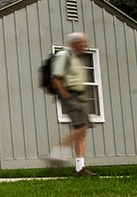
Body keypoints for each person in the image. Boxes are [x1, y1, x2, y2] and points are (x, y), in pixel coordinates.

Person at [48, 32, 98, 177]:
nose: (85, 47)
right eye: (82, 44)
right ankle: (57, 153)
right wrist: (66, 96)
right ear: (74, 43)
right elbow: (56, 77)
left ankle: (79, 169)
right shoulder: (64, 55)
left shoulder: (77, 58)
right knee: (81, 128)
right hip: (71, 95)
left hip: (80, 95)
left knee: (82, 131)